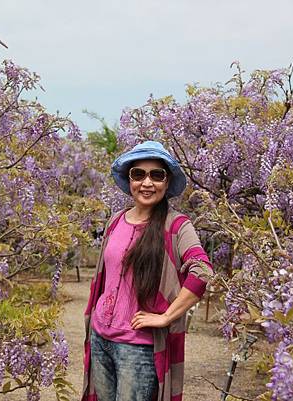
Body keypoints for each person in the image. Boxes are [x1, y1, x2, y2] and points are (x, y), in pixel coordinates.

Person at [81, 140, 213, 401]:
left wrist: (165, 316)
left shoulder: (176, 225)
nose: (147, 183)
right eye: (138, 174)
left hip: (137, 348)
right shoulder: (115, 220)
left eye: (156, 175)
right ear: (129, 180)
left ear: (166, 181)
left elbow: (202, 272)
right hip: (100, 339)